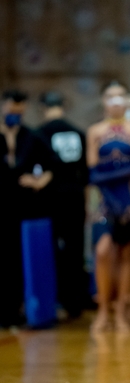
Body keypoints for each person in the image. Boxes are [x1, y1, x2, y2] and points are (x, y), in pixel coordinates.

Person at [87, 82, 130, 333]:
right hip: (103, 199)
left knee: (126, 253)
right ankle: (103, 310)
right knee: (102, 252)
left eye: (120, 95)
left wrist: (107, 174)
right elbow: (92, 171)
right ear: (103, 100)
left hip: (129, 199)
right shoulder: (95, 131)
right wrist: (119, 171)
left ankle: (121, 310)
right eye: (111, 96)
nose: (116, 100)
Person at [0, 90, 55, 328]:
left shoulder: (32, 136)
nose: (15, 114)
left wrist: (38, 181)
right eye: (12, 110)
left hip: (21, 207)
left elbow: (53, 165)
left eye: (19, 111)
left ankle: (15, 311)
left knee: (15, 259)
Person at [37, 91, 88, 319]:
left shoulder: (39, 134)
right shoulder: (78, 132)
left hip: (51, 197)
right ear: (64, 105)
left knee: (52, 249)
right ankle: (75, 302)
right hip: (75, 196)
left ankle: (56, 299)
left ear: (43, 107)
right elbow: (86, 171)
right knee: (75, 249)